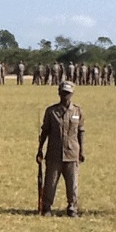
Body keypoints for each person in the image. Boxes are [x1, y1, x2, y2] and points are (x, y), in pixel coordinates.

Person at [36, 81, 85, 217]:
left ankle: (72, 208)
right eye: (63, 93)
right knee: (50, 183)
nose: (65, 96)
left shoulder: (77, 111)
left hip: (72, 153)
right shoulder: (51, 111)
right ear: (59, 92)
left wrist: (82, 151)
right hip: (54, 153)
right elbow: (45, 131)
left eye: (68, 93)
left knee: (72, 184)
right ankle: (47, 207)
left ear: (72, 94)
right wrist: (40, 149)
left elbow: (81, 131)